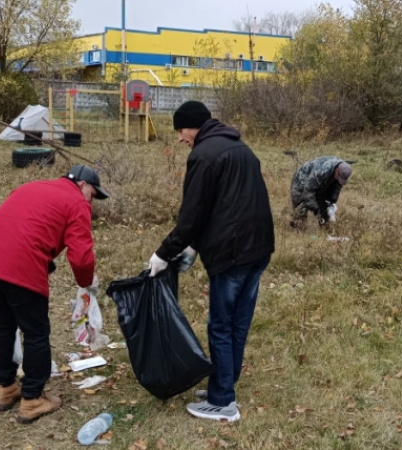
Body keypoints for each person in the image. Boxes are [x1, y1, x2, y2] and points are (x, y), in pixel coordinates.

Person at [147, 100, 275, 422]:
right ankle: (223, 384)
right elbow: (227, 205)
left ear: (194, 126)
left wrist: (163, 253)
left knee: (220, 325)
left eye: (180, 130)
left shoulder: (204, 155)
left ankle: (222, 404)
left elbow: (192, 215)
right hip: (257, 250)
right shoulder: (241, 148)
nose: (179, 138)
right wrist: (194, 246)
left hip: (232, 254)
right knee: (238, 324)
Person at [0, 165, 109, 424]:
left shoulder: (32, 187)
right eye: (93, 193)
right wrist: (86, 285)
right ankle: (33, 398)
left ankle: (6, 387)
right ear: (81, 185)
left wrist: (47, 262)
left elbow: (23, 226)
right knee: (35, 332)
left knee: (3, 324)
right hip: (19, 264)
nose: (92, 200)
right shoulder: (76, 202)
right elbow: (80, 257)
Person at [289, 156, 353, 229]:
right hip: (302, 180)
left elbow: (336, 188)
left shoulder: (342, 169)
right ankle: (298, 227)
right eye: (339, 177)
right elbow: (308, 193)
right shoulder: (321, 172)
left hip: (319, 182)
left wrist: (330, 203)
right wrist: (316, 209)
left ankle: (324, 227)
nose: (339, 179)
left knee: (324, 207)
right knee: (302, 204)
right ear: (336, 170)